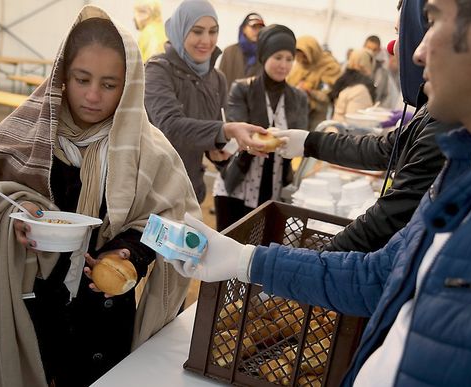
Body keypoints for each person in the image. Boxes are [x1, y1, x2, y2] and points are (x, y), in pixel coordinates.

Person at [173, 0, 471, 385]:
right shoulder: (467, 161)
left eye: (433, 20)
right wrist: (248, 261)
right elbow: (379, 275)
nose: (416, 53)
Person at [0, 6, 201, 387]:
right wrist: (18, 208)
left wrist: (129, 252)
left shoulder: (149, 150)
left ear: (130, 85)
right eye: (81, 79)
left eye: (109, 84)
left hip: (105, 317)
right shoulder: (31, 132)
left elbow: (176, 223)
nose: (92, 96)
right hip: (35, 308)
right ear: (62, 76)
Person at [271, 0, 457, 253]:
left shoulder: (446, 120)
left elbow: (390, 216)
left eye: (399, 33)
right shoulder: (431, 110)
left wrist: (306, 261)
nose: (394, 48)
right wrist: (309, 142)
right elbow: (384, 149)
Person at [144, 0, 268, 204]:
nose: (207, 40)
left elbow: (213, 131)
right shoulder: (158, 70)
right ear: (180, 30)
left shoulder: (217, 79)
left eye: (213, 31)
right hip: (152, 190)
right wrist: (226, 130)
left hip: (190, 189)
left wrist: (220, 151)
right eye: (197, 31)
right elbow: (170, 126)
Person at [212, 25, 308, 231]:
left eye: (289, 59)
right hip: (237, 184)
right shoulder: (242, 88)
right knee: (228, 243)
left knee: (258, 248)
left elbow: (301, 139)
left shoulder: (298, 97)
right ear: (264, 57)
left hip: (272, 187)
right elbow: (237, 133)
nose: (283, 65)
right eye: (278, 57)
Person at [287, 35, 342, 130]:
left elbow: (327, 95)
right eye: (299, 57)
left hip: (316, 114)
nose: (302, 60)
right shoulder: (299, 66)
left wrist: (309, 91)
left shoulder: (329, 66)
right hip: (294, 110)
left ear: (313, 52)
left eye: (305, 56)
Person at [218, 12, 265, 92]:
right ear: (244, 29)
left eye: (260, 28)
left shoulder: (266, 55)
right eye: (254, 27)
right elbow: (220, 81)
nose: (257, 31)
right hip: (229, 101)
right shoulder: (229, 52)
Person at [330, 48, 377, 122]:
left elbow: (333, 98)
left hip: (336, 122)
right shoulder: (367, 83)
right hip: (355, 126)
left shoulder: (341, 78)